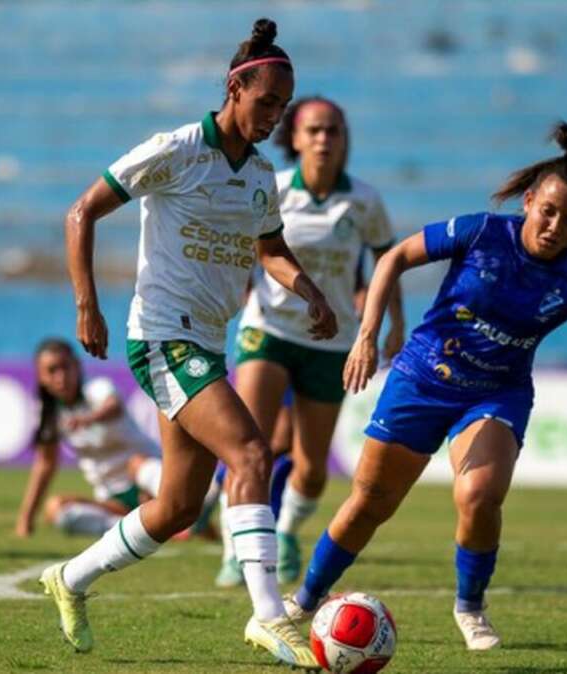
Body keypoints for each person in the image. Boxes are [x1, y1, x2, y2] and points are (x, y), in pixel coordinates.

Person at [283, 122, 567, 651]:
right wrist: (368, 336)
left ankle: (470, 607)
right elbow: (393, 258)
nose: (555, 227)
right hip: (421, 378)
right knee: (370, 503)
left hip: (495, 394)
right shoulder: (480, 233)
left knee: (478, 495)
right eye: (548, 212)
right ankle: (306, 600)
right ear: (528, 201)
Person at [39, 19, 335, 668]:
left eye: (282, 108)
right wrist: (87, 304)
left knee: (175, 507)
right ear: (235, 89)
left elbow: (271, 249)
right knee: (252, 454)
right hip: (163, 338)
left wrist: (308, 289)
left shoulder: (260, 174)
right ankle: (268, 614)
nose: (273, 118)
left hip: (206, 343)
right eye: (266, 103)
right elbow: (81, 211)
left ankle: (71, 578)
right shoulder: (174, 150)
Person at [217, 96, 404, 587]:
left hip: (333, 339)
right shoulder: (273, 189)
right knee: (248, 447)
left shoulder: (364, 201)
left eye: (333, 131)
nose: (323, 139)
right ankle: (237, 548)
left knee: (314, 469)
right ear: (294, 138)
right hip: (270, 328)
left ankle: (284, 531)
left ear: (344, 140)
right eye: (314, 130)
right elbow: (244, 248)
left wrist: (394, 323)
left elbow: (389, 262)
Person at [15, 338, 217, 538]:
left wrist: (88, 419)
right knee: (55, 508)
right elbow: (45, 465)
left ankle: (184, 507)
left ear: (77, 366)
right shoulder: (49, 415)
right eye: (52, 370)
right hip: (112, 499)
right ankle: (144, 529)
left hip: (148, 481)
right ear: (41, 376)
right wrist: (26, 520)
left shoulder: (96, 388)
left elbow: (113, 406)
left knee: (136, 463)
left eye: (65, 367)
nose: (61, 377)